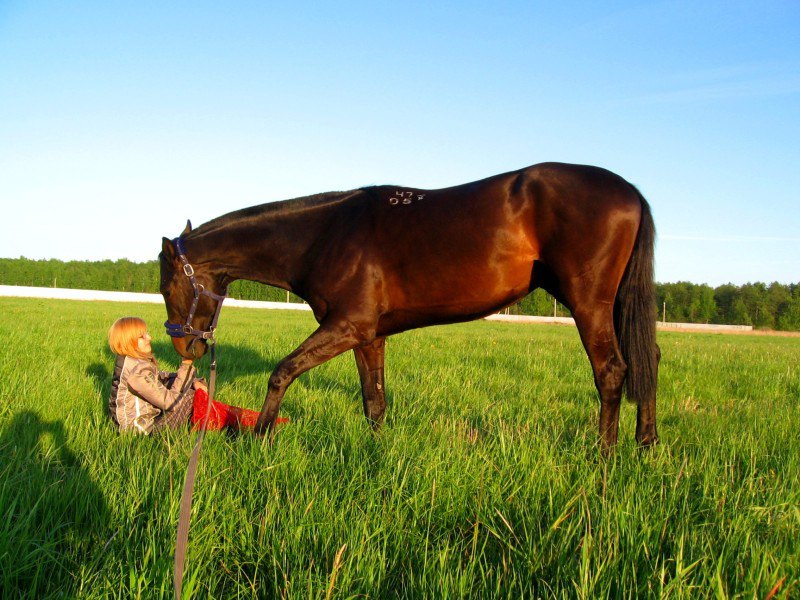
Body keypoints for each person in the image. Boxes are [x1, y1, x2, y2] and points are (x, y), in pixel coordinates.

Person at [107, 316, 283, 434]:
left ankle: (230, 421)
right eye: (142, 336)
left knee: (192, 391)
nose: (149, 337)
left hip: (147, 419)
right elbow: (170, 402)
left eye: (146, 333)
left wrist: (194, 380)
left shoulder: (132, 362)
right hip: (143, 430)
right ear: (128, 341)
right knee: (191, 398)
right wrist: (186, 364)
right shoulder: (136, 373)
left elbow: (160, 377)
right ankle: (232, 424)